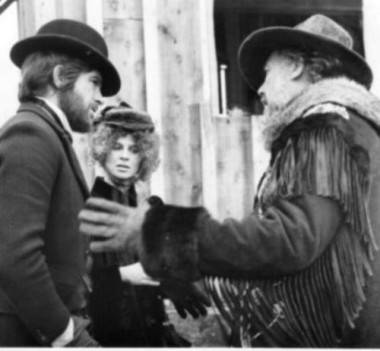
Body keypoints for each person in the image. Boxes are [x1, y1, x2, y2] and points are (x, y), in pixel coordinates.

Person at [78, 14, 380, 347]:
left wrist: (169, 234)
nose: (260, 89)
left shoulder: (326, 128)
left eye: (266, 74)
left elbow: (291, 241)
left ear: (294, 66)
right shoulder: (350, 129)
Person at [0, 19, 120, 346]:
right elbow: (15, 255)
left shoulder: (51, 135)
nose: (99, 99)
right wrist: (64, 333)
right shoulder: (31, 134)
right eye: (93, 83)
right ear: (59, 78)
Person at [87, 102, 191, 346]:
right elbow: (75, 282)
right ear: (103, 150)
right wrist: (122, 275)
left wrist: (169, 280)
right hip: (108, 333)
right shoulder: (90, 206)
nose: (124, 156)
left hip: (149, 331)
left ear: (144, 155)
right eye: (116, 147)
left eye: (134, 149)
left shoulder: (146, 207)